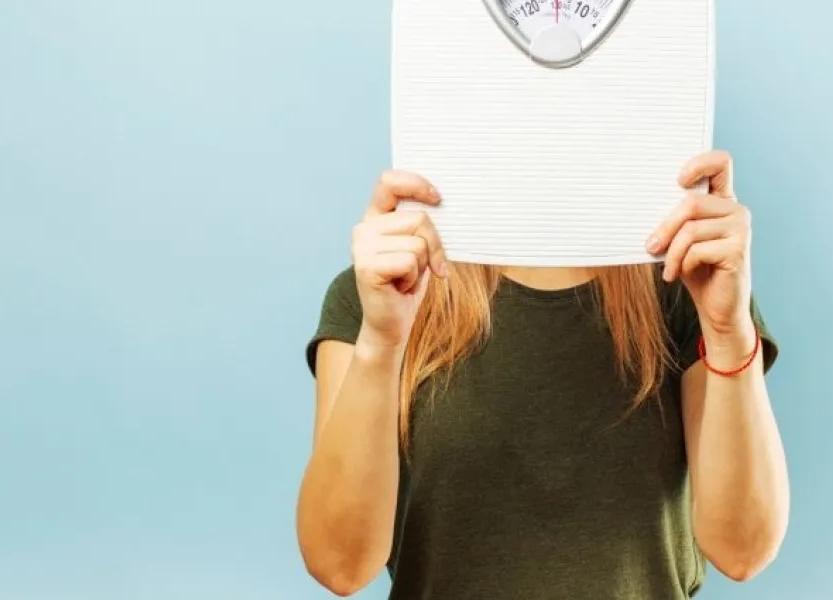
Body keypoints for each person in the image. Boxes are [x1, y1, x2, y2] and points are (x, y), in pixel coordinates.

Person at [296, 150, 790, 599]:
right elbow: (339, 566)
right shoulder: (383, 292)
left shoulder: (688, 286)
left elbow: (743, 552)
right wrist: (381, 343)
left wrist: (727, 330)